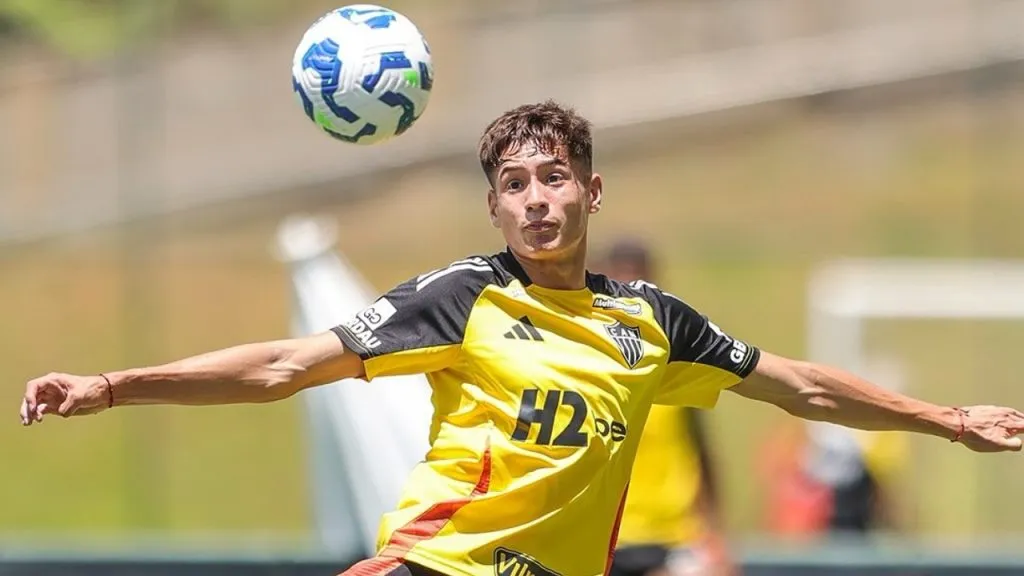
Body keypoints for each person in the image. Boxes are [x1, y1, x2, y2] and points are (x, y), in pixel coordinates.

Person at [20, 100, 1024, 576]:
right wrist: (111, 385)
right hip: (440, 568)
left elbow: (797, 383)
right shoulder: (462, 297)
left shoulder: (649, 321)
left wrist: (946, 419)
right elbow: (284, 365)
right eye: (514, 185)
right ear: (495, 207)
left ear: (591, 190)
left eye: (553, 178)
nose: (536, 199)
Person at [596, 239, 735, 576]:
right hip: (604, 538)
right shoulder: (583, 368)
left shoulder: (674, 366)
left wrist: (716, 533)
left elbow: (701, 451)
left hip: (673, 536)